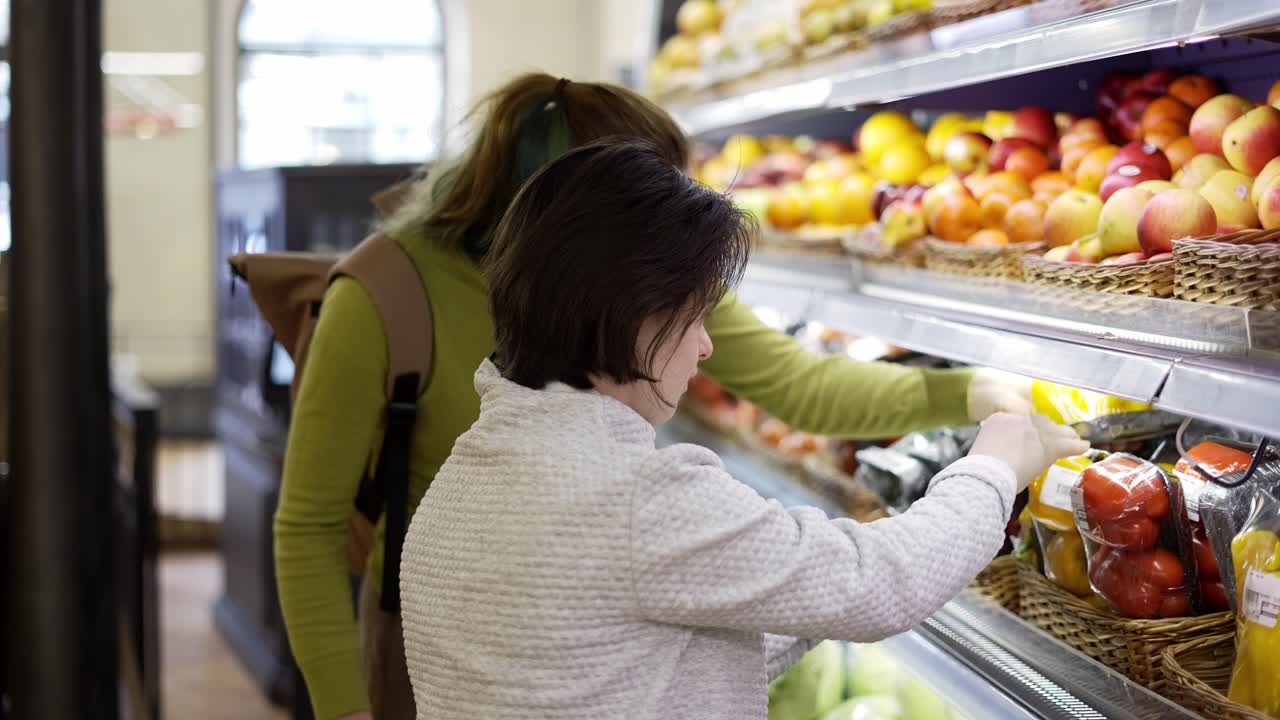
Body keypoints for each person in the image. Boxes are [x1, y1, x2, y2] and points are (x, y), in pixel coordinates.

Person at [275, 73, 1030, 720]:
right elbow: (879, 586)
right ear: (619, 269)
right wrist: (997, 462)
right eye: (695, 315)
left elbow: (617, 658)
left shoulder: (465, 477)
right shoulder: (643, 498)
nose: (706, 346)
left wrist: (802, 579)